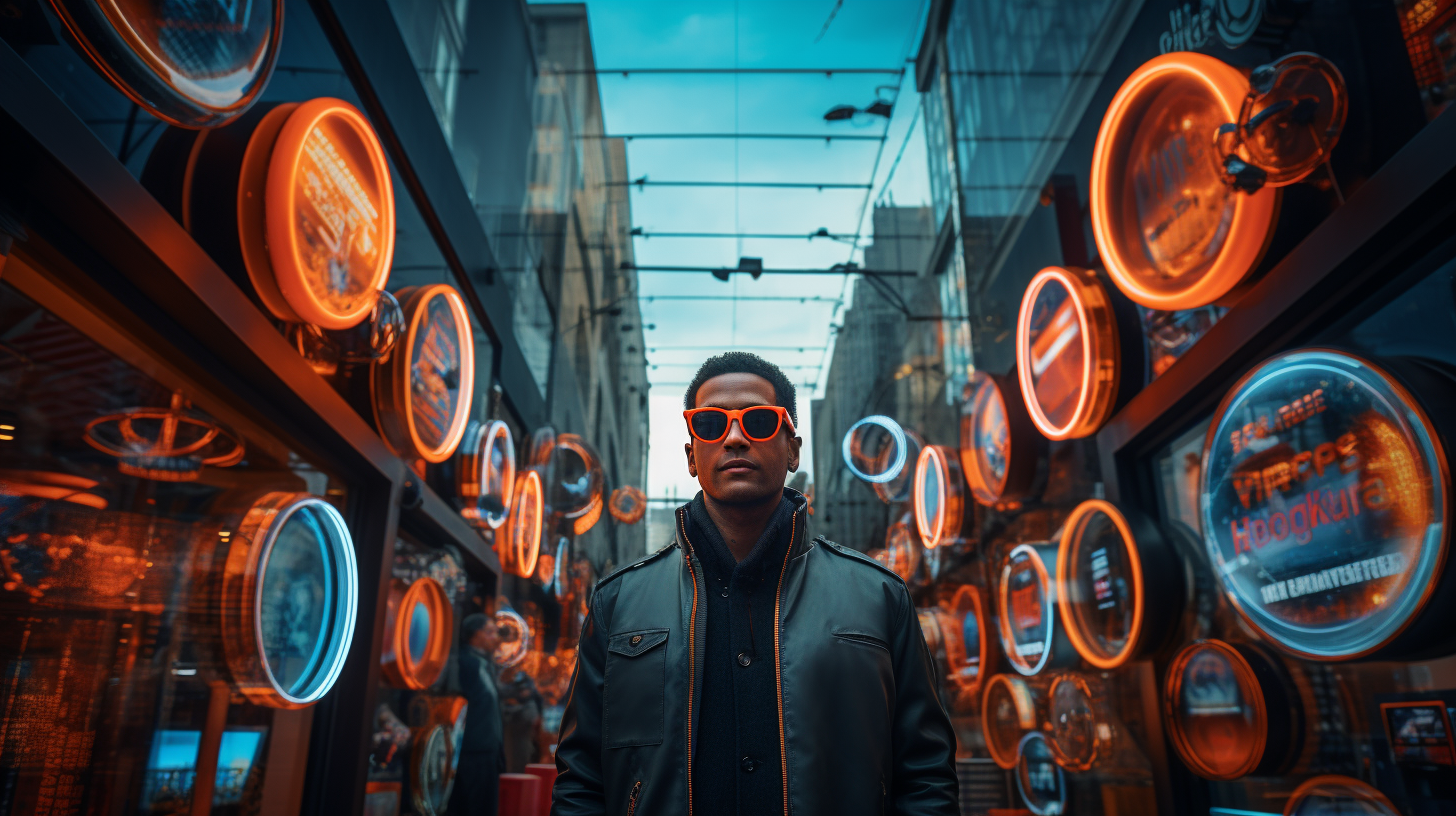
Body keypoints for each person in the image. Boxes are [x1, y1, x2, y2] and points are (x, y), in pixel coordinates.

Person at [553, 352, 957, 815]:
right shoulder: (619, 603)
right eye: (710, 424)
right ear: (691, 456)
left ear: (793, 450)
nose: (735, 437)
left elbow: (925, 775)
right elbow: (581, 781)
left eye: (760, 421)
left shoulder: (878, 598)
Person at [449, 614, 505, 816]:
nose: (495, 637)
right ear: (474, 635)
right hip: (472, 751)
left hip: (487, 751)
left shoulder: (484, 664)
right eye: (489, 632)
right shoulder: (466, 663)